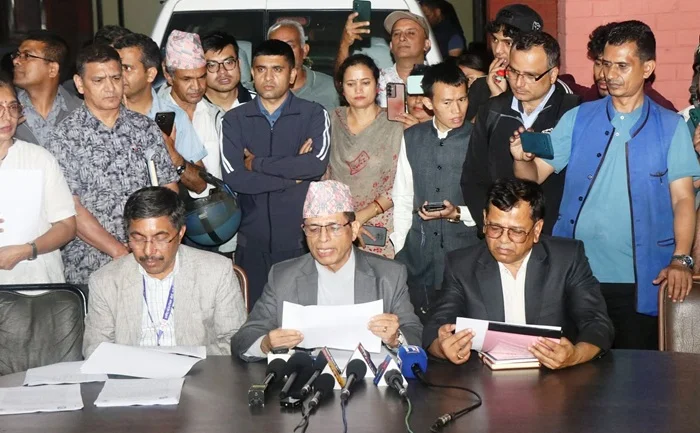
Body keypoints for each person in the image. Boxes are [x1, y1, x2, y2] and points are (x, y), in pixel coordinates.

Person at [511, 21, 700, 350]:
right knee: (575, 372)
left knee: (638, 373)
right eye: (605, 64)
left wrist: (681, 259)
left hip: (642, 279)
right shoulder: (578, 118)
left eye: (622, 66)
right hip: (577, 275)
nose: (610, 74)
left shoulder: (670, 126)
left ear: (647, 68)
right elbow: (533, 177)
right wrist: (520, 159)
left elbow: (683, 200)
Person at [424, 178, 614, 369]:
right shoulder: (461, 265)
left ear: (537, 229)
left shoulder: (566, 259)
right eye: (495, 228)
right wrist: (442, 347)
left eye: (516, 231)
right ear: (484, 220)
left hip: (554, 377)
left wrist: (575, 355)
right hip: (483, 376)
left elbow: (596, 322)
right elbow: (436, 326)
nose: (503, 240)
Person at [231, 180, 422, 361]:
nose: (323, 239)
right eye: (313, 229)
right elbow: (243, 339)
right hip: (306, 380)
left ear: (354, 229)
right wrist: (266, 344)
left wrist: (395, 338)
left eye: (334, 227)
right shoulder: (284, 276)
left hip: (368, 380)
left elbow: (415, 334)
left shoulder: (388, 275)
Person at [45, 44, 179, 286]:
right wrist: (120, 252)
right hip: (92, 262)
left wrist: (157, 244)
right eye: (98, 80)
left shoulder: (144, 128)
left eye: (116, 78)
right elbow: (70, 208)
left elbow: (168, 189)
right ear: (79, 83)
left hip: (152, 256)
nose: (110, 87)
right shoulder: (64, 137)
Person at [221, 40, 330, 309]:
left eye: (277, 69)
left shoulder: (313, 114)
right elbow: (235, 178)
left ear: (292, 74)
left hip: (301, 241)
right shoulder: (234, 120)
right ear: (252, 73)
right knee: (255, 321)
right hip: (251, 243)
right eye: (261, 69)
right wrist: (294, 175)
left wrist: (257, 163)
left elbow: (315, 166)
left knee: (302, 321)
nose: (268, 77)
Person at [82, 186, 247, 357]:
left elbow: (236, 342)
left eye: (160, 238)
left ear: (181, 233)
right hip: (131, 371)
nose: (148, 251)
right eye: (138, 239)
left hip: (197, 370)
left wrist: (182, 359)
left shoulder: (216, 272)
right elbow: (95, 350)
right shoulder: (105, 281)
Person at [462, 31, 579, 235]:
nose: (518, 82)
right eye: (513, 72)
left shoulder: (573, 112)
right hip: (498, 233)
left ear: (553, 74)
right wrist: (490, 227)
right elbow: (473, 178)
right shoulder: (492, 111)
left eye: (531, 76)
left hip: (554, 235)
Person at [392, 62, 480, 320]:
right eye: (447, 102)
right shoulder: (412, 137)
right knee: (419, 327)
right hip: (418, 256)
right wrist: (400, 246)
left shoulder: (479, 138)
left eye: (462, 99)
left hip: (466, 255)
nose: (457, 109)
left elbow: (492, 202)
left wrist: (458, 213)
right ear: (428, 103)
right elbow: (403, 196)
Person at [0, 77, 76, 284]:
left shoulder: (39, 158)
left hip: (36, 282)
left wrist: (28, 250)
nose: (7, 116)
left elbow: (66, 226)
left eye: (12, 107)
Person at [328, 55, 403, 258]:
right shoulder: (331, 120)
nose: (358, 90)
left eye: (365, 83)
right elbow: (324, 175)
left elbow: (402, 182)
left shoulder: (396, 123)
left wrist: (361, 216)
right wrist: (346, 220)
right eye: (351, 84)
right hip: (338, 223)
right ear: (342, 88)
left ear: (377, 86)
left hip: (382, 227)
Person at [113, 33, 208, 194]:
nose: (118, 75)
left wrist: (173, 155)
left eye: (127, 68)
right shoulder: (101, 114)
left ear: (150, 74)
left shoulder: (174, 116)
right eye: (116, 68)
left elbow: (200, 184)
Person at [465, 4, 574, 122]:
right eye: (495, 40)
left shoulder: (553, 89)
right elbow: (469, 133)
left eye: (508, 43)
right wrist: (495, 99)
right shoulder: (481, 86)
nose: (498, 50)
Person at [559, 23, 677, 111]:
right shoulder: (593, 97)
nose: (604, 74)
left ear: (647, 69)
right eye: (600, 64)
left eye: (621, 66)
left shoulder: (661, 111)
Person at [160, 30, 222, 199]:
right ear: (168, 75)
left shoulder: (216, 115)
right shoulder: (154, 114)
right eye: (187, 79)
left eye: (201, 77)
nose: (196, 87)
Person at [337, 11, 431, 115]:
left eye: (411, 33)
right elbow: (343, 81)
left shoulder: (437, 79)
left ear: (426, 44)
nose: (402, 38)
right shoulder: (376, 79)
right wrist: (344, 44)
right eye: (396, 34)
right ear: (391, 46)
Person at [12, 30, 81, 147]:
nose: (16, 61)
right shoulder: (6, 111)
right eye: (18, 55)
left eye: (27, 56)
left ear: (52, 69)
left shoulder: (80, 111)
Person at [268, 20, 339, 112]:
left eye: (290, 46)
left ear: (304, 50)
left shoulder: (330, 88)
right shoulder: (256, 90)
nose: (283, 53)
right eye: (276, 47)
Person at [201, 31, 255, 112]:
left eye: (229, 63)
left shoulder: (261, 105)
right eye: (212, 65)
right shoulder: (191, 109)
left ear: (239, 64)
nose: (222, 71)